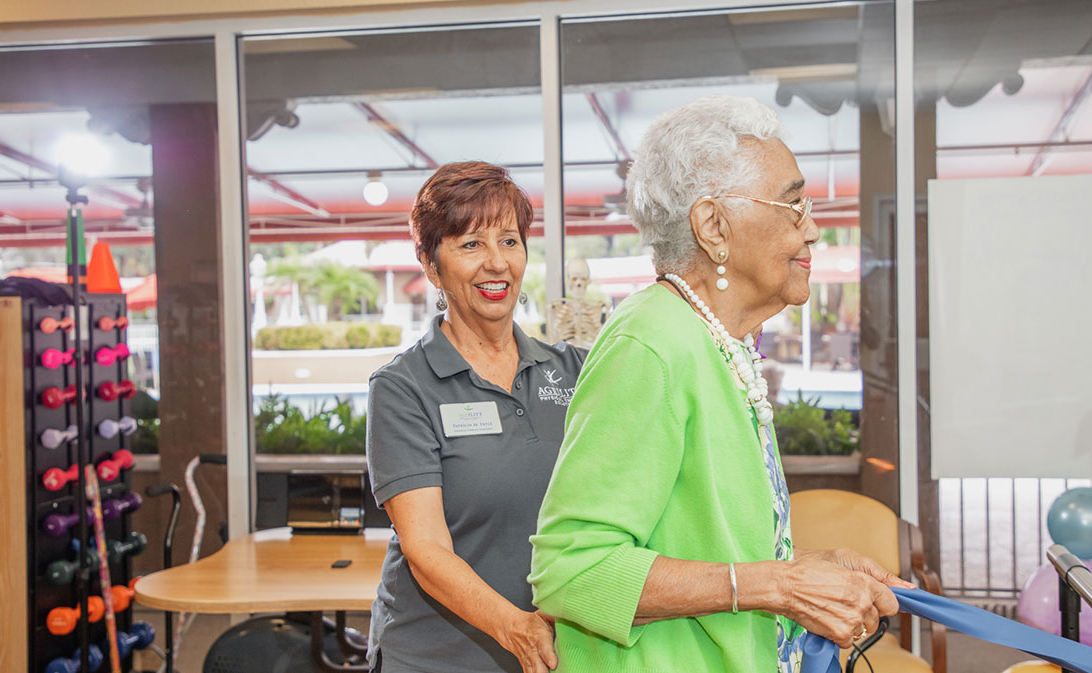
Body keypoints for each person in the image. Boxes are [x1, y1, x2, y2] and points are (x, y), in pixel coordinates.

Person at [528, 96, 912, 673]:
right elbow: (572, 571)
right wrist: (780, 585)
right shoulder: (651, 343)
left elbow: (700, 547)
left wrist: (806, 564)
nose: (812, 229)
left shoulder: (716, 340)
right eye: (792, 203)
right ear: (712, 226)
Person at [366, 161, 585, 673]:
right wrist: (517, 628)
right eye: (471, 244)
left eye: (510, 241)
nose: (496, 263)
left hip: (556, 653)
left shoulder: (573, 370)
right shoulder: (403, 388)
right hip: (436, 658)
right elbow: (426, 550)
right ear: (430, 262)